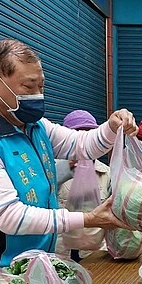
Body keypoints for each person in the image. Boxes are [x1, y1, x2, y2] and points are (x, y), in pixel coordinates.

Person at [0, 38, 137, 267]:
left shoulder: (35, 126)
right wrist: (89, 219)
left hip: (39, 264)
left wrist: (112, 126)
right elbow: (10, 217)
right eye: (29, 87)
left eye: (41, 86)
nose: (38, 95)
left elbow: (83, 146)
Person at [55, 110, 111, 261]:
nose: (84, 140)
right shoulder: (53, 170)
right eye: (79, 134)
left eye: (89, 133)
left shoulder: (106, 173)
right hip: (61, 252)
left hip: (94, 252)